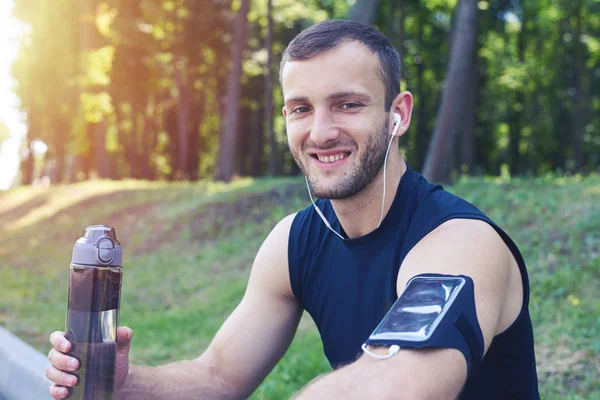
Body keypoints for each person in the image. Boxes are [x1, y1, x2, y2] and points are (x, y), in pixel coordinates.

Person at [47, 20, 539, 399]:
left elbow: (399, 382)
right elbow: (219, 374)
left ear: (398, 114)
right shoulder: (295, 241)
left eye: (347, 104)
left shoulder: (461, 241)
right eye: (301, 108)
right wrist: (128, 382)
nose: (321, 132)